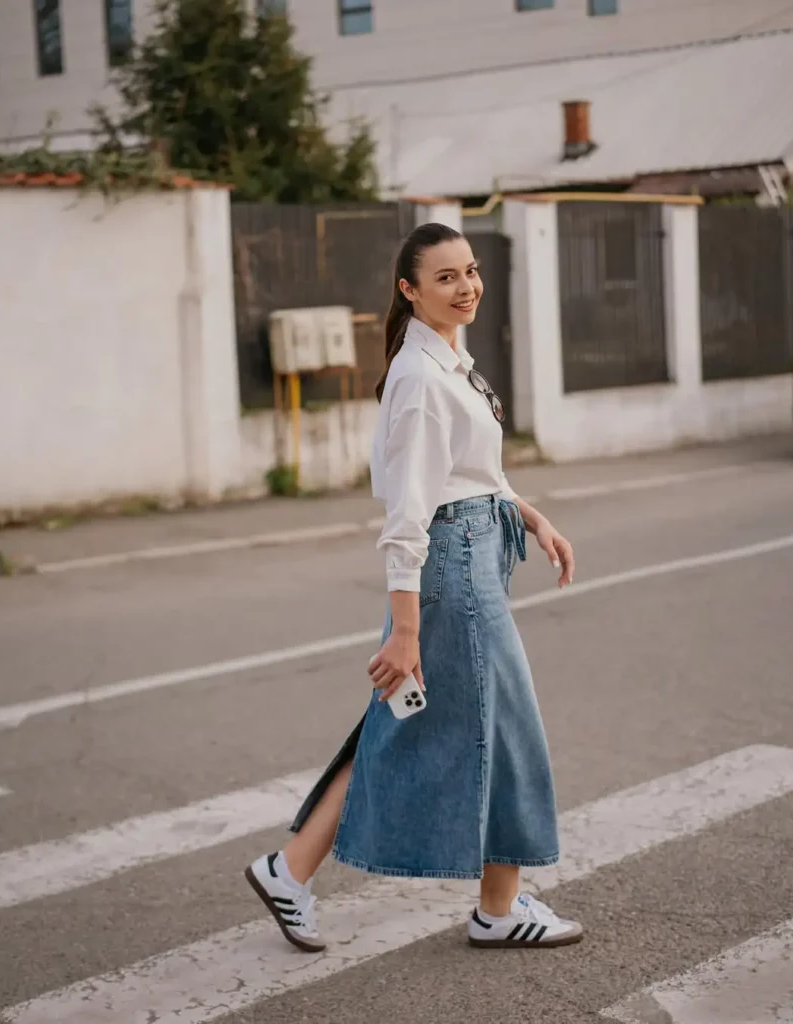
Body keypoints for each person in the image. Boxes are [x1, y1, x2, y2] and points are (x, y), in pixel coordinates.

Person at [245, 222, 582, 952]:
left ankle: (289, 870)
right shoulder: (420, 378)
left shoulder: (450, 361)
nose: (466, 288)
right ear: (409, 290)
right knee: (508, 734)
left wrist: (530, 516)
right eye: (446, 278)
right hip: (450, 573)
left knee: (398, 722)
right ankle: (499, 908)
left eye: (470, 271)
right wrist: (404, 630)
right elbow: (407, 516)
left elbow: (471, 472)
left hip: (473, 552)